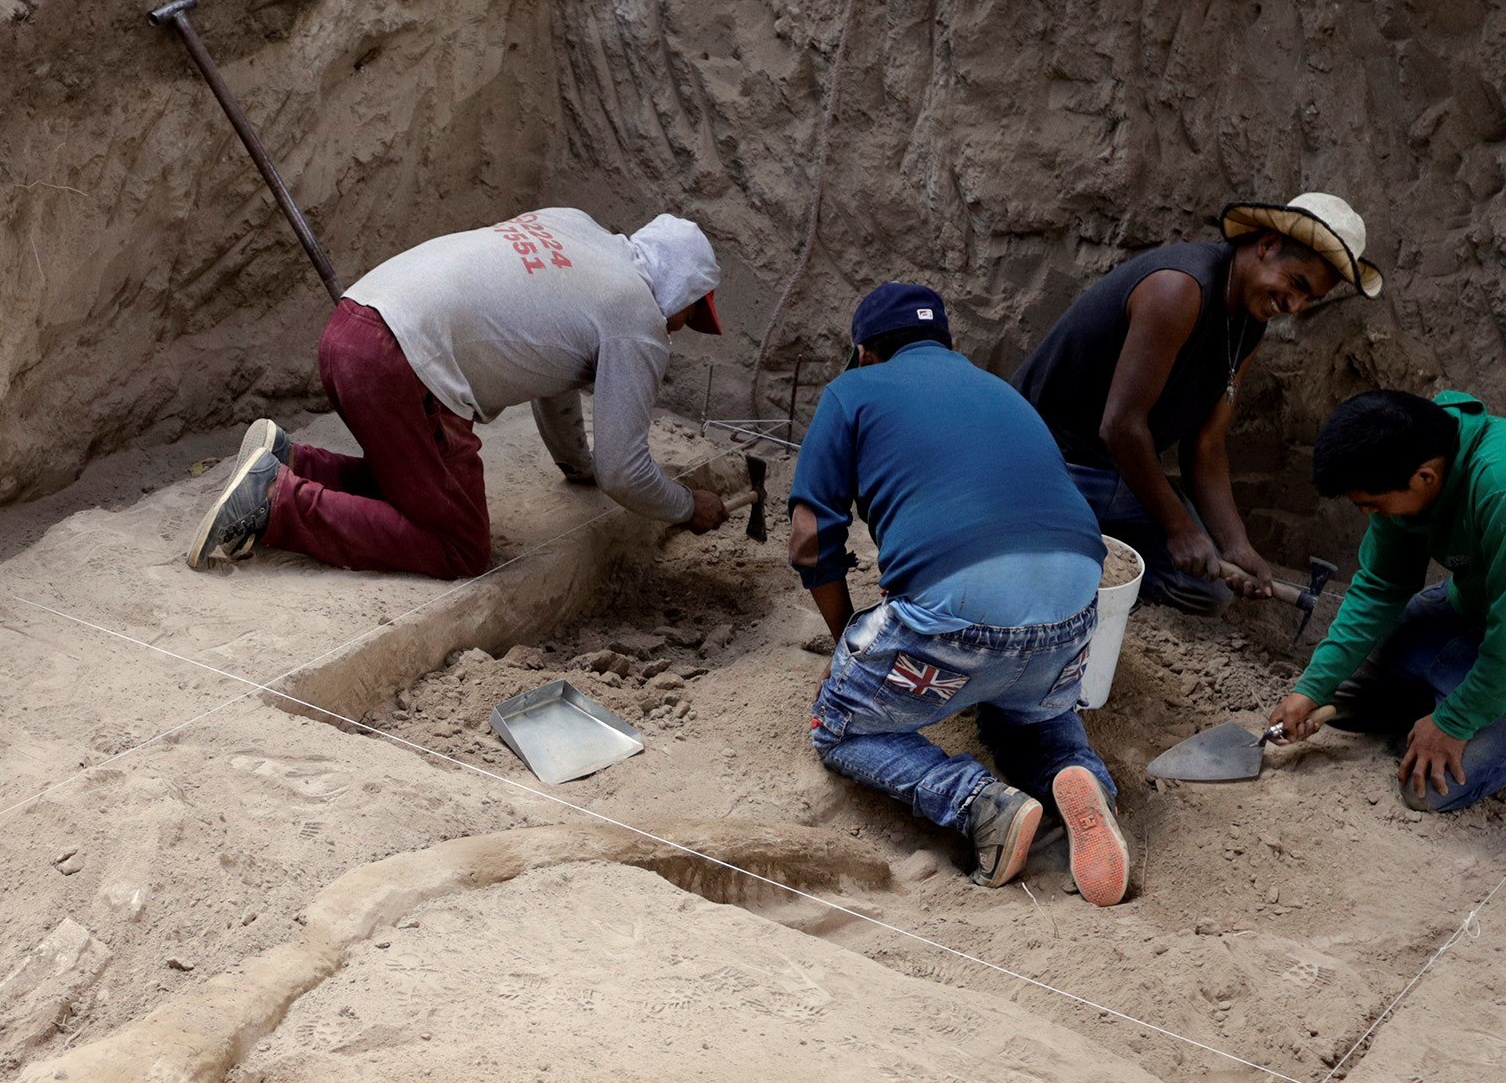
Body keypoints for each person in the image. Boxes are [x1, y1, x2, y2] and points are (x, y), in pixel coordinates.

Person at [791, 283, 1133, 902]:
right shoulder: (1002, 391)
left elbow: (810, 541)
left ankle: (979, 805)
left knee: (840, 724)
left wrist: (848, 646)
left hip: (956, 615)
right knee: (1029, 714)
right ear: (947, 344)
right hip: (1076, 605)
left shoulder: (853, 391)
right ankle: (1078, 776)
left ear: (865, 351)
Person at [183, 208, 729, 575]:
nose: (681, 326)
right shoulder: (637, 314)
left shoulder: (574, 227)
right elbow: (625, 472)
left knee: (421, 484)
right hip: (400, 364)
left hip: (351, 326)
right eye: (690, 310)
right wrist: (684, 507)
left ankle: (291, 460)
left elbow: (555, 376)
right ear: (680, 287)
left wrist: (576, 465)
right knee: (461, 546)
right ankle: (275, 505)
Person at [1272, 389, 1506, 810]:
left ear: (1425, 478)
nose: (1369, 515)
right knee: (1349, 701)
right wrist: (1313, 687)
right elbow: (1380, 585)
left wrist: (1453, 721)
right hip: (1480, 603)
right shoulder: (1407, 456)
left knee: (1429, 789)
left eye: (1373, 505)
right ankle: (1458, 691)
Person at [1015, 191, 1379, 613]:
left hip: (1123, 476)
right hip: (1055, 461)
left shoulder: (1248, 325)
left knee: (1209, 589)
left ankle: (1089, 554)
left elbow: (1206, 444)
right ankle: (1068, 556)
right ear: (1267, 246)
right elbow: (1120, 426)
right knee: (1038, 561)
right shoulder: (1180, 287)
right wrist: (1178, 527)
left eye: (1309, 299)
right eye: (1297, 284)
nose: (1294, 306)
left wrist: (1236, 544)